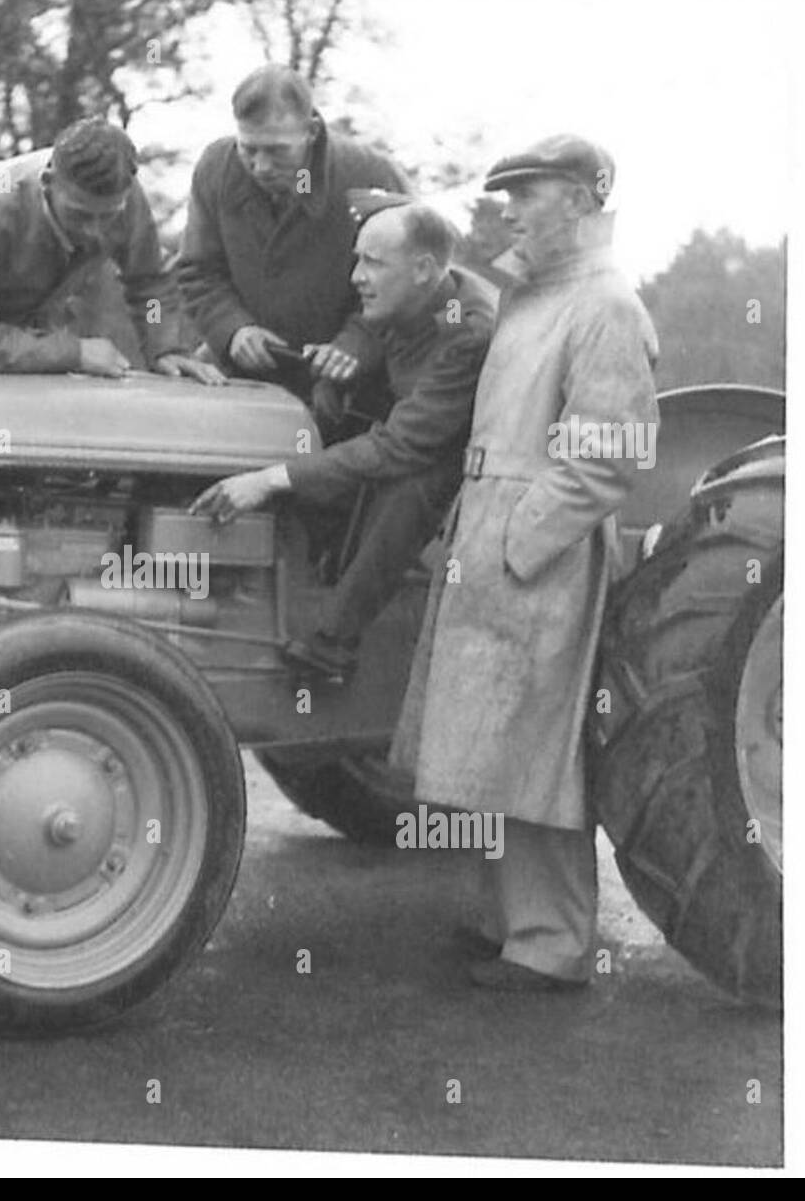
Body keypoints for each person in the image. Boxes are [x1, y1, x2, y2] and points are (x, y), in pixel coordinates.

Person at [389, 135, 659, 991]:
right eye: (504, 192)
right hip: (492, 539)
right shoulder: (535, 296)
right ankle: (508, 922)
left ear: (581, 200)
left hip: (538, 551)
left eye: (525, 193)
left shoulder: (607, 304)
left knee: (537, 747)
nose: (505, 207)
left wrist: (521, 538)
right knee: (487, 744)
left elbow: (610, 456)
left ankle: (550, 945)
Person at [190, 197, 495, 677]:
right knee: (323, 422)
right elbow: (377, 334)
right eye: (357, 259)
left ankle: (333, 641)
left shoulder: (468, 331)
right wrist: (337, 368)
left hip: (466, 458)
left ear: (422, 269)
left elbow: (402, 445)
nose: (356, 276)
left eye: (372, 262)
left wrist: (268, 479)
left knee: (412, 485)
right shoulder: (412, 295)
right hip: (412, 424)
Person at [177, 64, 410, 438]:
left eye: (277, 151)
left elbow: (406, 283)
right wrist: (235, 330)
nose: (260, 167)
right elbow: (198, 271)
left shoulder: (371, 175)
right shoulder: (215, 169)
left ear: (311, 131)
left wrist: (353, 345)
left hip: (350, 397)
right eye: (248, 149)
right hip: (241, 382)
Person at [0, 116, 221, 382]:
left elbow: (149, 290)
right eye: (80, 215)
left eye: (108, 216)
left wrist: (164, 345)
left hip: (31, 346)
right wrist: (75, 353)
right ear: (48, 183)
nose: (94, 231)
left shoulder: (127, 199)